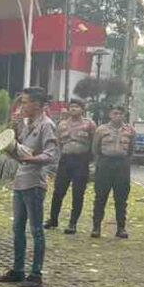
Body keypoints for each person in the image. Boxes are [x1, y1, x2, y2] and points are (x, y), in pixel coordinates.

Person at [0, 87, 58, 287]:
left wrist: (32, 159)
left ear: (37, 105)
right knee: (18, 228)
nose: (22, 106)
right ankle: (18, 269)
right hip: (21, 180)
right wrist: (11, 150)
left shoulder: (47, 125)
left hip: (35, 182)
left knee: (36, 229)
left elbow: (50, 154)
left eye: (25, 102)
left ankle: (36, 274)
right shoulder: (26, 125)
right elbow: (22, 153)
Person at [46, 98, 95, 234]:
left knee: (78, 193)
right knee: (58, 191)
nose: (73, 109)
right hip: (66, 160)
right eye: (71, 106)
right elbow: (59, 143)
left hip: (81, 160)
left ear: (82, 109)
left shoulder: (89, 124)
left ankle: (73, 223)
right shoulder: (62, 124)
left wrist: (89, 159)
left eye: (77, 107)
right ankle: (53, 219)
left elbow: (94, 142)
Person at [91, 105, 136, 239]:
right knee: (100, 197)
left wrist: (125, 160)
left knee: (121, 198)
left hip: (122, 165)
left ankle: (121, 228)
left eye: (120, 114)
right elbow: (95, 148)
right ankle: (96, 227)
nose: (117, 116)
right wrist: (101, 161)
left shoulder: (130, 130)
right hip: (105, 163)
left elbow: (131, 149)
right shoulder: (101, 130)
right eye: (115, 113)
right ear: (110, 115)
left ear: (124, 115)